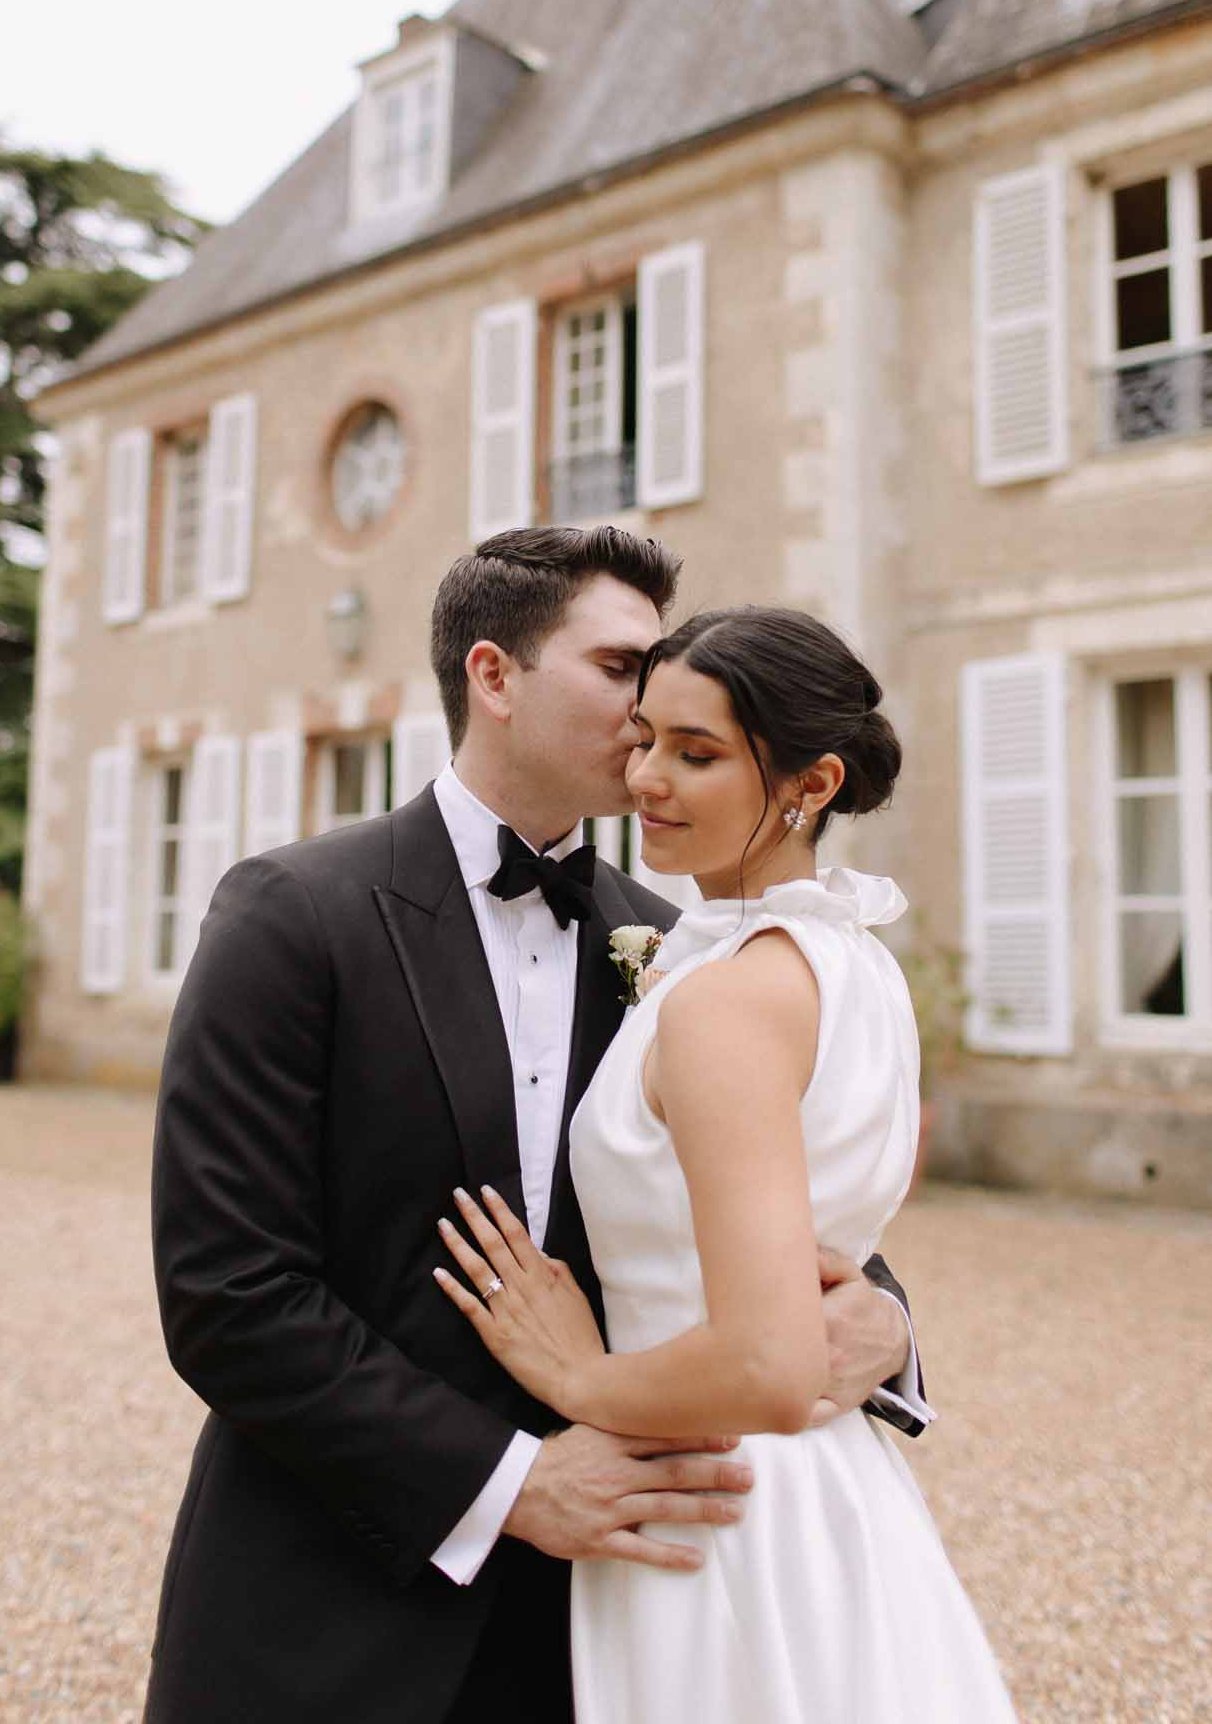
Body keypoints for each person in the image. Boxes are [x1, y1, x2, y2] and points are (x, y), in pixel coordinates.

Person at [143, 534, 926, 1724]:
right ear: (495, 675)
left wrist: (885, 1322)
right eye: (622, 668)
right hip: (340, 1599)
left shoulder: (685, 944)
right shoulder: (293, 912)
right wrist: (510, 1481)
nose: (650, 706)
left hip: (620, 1609)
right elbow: (228, 1287)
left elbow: (753, 1201)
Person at [435, 604, 1018, 1724]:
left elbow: (766, 1358)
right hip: (833, 1490)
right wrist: (882, 1322)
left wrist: (578, 1380)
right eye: (646, 736)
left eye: (696, 754)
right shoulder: (848, 962)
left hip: (716, 1505)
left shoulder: (727, 1001)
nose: (647, 775)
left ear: (810, 782)